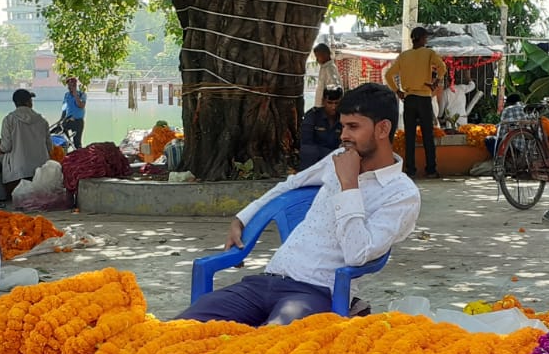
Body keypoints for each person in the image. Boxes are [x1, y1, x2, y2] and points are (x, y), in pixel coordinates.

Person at [176, 83, 420, 327]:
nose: (344, 135)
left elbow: (357, 255)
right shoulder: (336, 159)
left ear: (383, 129)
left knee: (267, 350)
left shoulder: (401, 194)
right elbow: (289, 186)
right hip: (264, 282)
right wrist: (242, 218)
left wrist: (349, 185)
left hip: (315, 293)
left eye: (353, 127)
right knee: (178, 330)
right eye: (343, 126)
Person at [385, 27, 447, 177]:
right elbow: (442, 67)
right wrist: (435, 82)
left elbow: (388, 75)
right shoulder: (429, 53)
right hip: (424, 98)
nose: (426, 41)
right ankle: (431, 169)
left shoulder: (404, 56)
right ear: (421, 38)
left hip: (409, 99)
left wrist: (398, 91)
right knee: (427, 135)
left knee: (410, 136)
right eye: (426, 38)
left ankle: (410, 170)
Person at [0, 88, 51, 200]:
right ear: (28, 102)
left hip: (18, 173)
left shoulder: (9, 120)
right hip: (39, 171)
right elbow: (49, 147)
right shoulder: (42, 120)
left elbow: (6, 146)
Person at [299, 85, 344, 170]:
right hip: (316, 157)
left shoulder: (344, 117)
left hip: (337, 157)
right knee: (308, 151)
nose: (333, 107)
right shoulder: (313, 116)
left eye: (336, 103)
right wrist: (329, 154)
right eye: (330, 103)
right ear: (323, 101)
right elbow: (306, 142)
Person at [313, 44, 346, 108]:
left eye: (318, 56)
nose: (317, 60)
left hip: (327, 109)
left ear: (325, 54)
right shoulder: (325, 67)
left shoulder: (330, 69)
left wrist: (328, 106)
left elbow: (334, 91)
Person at [60, 76, 86, 148]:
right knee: (61, 130)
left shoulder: (82, 94)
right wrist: (61, 119)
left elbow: (81, 105)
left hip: (78, 121)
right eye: (68, 85)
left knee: (77, 142)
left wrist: (75, 95)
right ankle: (67, 144)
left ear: (75, 85)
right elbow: (64, 108)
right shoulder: (66, 95)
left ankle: (79, 154)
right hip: (68, 119)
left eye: (71, 85)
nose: (69, 87)